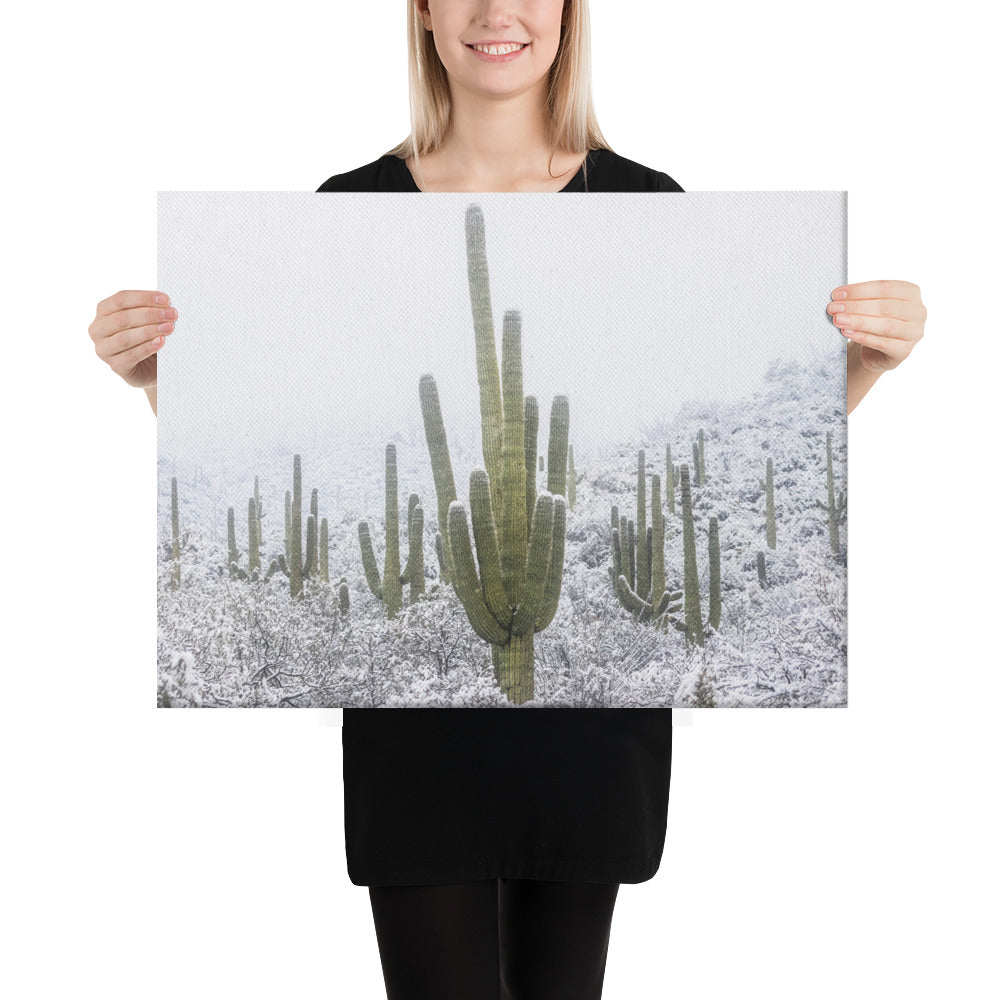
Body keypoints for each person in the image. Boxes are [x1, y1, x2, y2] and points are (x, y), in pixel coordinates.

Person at [88, 2, 926, 997]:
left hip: (591, 725)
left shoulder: (652, 207)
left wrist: (862, 368)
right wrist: (156, 384)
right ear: (425, 15)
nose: (498, 12)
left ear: (569, 16)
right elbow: (297, 454)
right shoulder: (341, 211)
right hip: (415, 724)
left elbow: (710, 448)